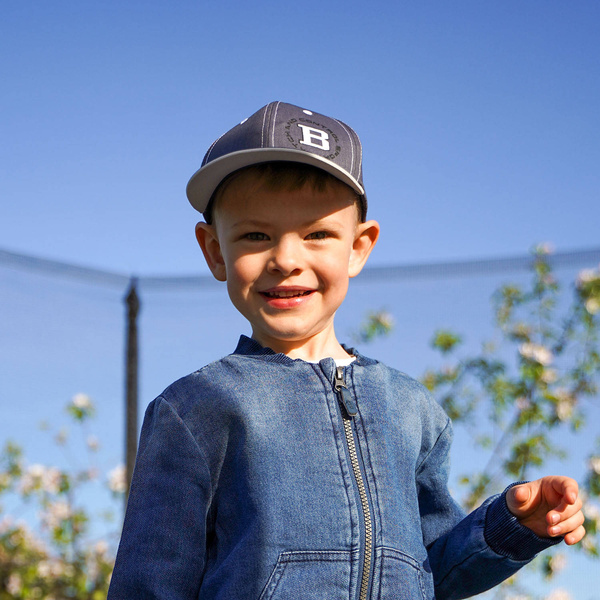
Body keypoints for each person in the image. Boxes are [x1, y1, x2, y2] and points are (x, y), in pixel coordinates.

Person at [107, 101, 585, 600]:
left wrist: (510, 525)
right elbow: (149, 584)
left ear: (358, 247)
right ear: (214, 250)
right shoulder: (194, 408)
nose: (287, 259)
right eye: (254, 235)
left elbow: (430, 576)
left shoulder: (412, 410)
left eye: (317, 235)